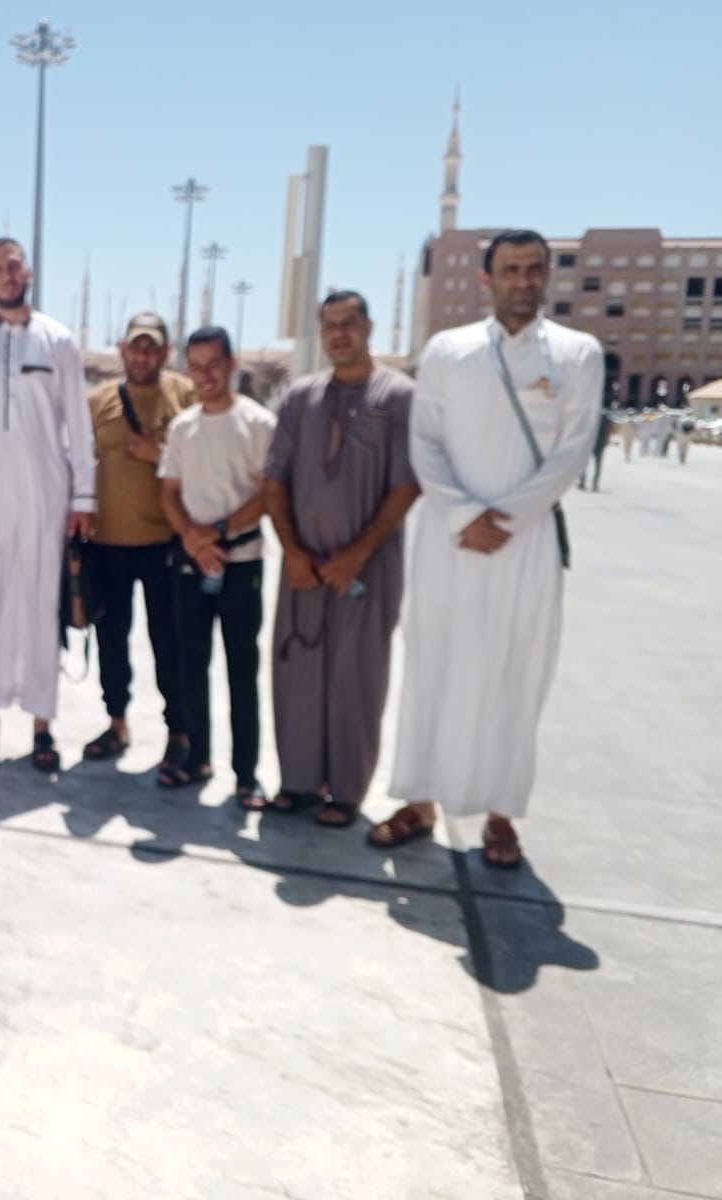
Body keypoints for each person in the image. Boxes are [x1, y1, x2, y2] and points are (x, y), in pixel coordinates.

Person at [375, 230, 602, 868]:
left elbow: (574, 449)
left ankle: (501, 816)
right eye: (510, 270)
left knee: (516, 673)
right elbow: (425, 441)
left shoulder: (578, 353)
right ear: (486, 278)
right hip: (448, 540)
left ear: (548, 274)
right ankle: (418, 802)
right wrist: (464, 515)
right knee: (433, 664)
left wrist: (509, 518)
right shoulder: (448, 350)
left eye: (534, 269)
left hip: (525, 543)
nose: (522, 281)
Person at [262, 291, 419, 823]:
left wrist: (357, 554)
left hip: (368, 569)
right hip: (304, 567)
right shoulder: (299, 397)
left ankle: (346, 792)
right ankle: (299, 782)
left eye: (349, 323)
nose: (339, 333)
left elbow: (406, 484)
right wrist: (292, 552)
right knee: (298, 669)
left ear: (368, 326)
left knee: (357, 675)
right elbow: (275, 479)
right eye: (330, 324)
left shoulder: (398, 397)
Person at [0, 237, 96, 772]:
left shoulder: (57, 340)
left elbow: (78, 422)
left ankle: (41, 727)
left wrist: (84, 495)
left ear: (27, 271)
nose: (7, 275)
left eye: (13, 265)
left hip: (43, 494)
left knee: (37, 606)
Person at [157, 327, 276, 802]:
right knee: (192, 665)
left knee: (241, 669)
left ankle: (246, 775)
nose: (205, 375)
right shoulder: (182, 427)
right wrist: (192, 536)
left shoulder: (259, 423)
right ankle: (197, 758)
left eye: (213, 364)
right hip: (190, 563)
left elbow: (268, 494)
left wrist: (220, 531)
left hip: (241, 562)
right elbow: (169, 491)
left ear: (231, 364)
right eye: (196, 366)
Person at [79, 312, 193, 768]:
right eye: (135, 347)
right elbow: (77, 462)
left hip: (165, 542)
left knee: (170, 641)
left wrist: (157, 454)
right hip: (107, 543)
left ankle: (178, 731)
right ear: (122, 349)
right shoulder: (97, 401)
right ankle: (116, 723)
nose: (143, 355)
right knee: (112, 639)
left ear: (165, 352)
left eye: (152, 347)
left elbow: (200, 463)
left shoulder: (185, 395)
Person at [580, 395, 612, 491]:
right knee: (597, 465)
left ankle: (583, 482)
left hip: (589, 444)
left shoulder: (590, 417)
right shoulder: (606, 418)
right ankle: (594, 484)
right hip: (599, 444)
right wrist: (606, 441)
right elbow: (608, 432)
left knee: (584, 464)